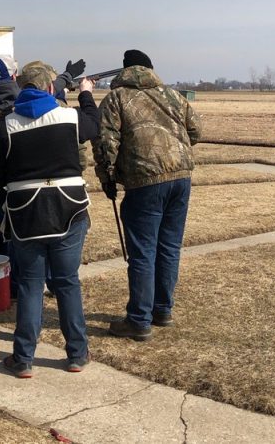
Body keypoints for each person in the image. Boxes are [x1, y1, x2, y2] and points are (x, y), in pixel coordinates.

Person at [0, 56, 86, 347]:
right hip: (25, 194)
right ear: (15, 78)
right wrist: (67, 77)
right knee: (27, 259)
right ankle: (20, 308)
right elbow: (50, 87)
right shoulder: (26, 106)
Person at [0, 62, 99, 378]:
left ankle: (24, 358)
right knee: (67, 281)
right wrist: (86, 93)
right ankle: (77, 354)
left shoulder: (4, 126)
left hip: (25, 213)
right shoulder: (69, 117)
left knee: (31, 285)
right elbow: (94, 124)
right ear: (51, 88)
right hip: (69, 207)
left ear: (21, 89)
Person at [94, 49, 202, 341]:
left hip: (145, 182)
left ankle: (139, 320)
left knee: (142, 252)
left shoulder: (117, 98)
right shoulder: (173, 95)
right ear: (150, 69)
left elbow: (105, 144)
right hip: (181, 178)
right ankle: (162, 310)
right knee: (169, 247)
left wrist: (108, 179)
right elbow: (196, 132)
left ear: (125, 70)